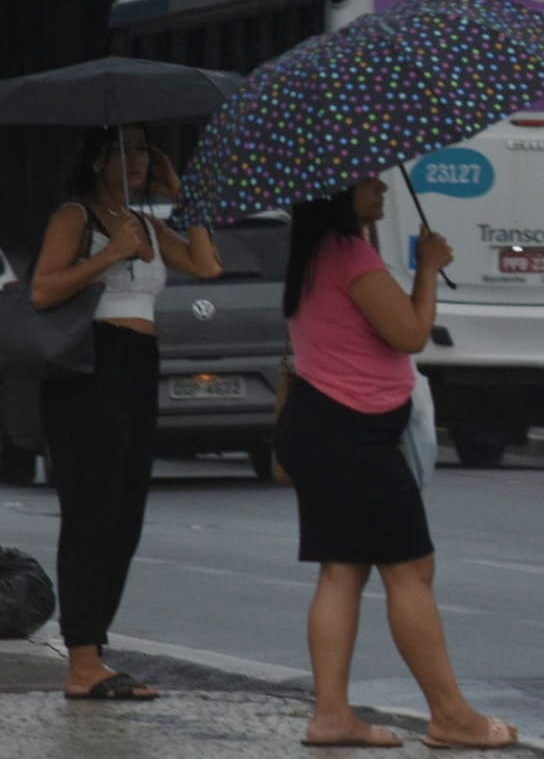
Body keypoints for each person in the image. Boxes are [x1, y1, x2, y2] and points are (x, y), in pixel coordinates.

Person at [274, 175, 517, 750]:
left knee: (342, 569)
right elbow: (409, 333)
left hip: (318, 426)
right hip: (352, 436)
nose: (381, 187)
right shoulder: (351, 255)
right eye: (365, 181)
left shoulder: (313, 254)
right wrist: (428, 267)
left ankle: (332, 714)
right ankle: (451, 716)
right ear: (334, 192)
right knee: (411, 571)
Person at [30, 123, 222, 700]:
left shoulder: (146, 221)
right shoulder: (76, 216)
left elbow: (207, 266)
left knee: (126, 515)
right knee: (90, 511)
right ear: (95, 159)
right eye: (123, 148)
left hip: (139, 363)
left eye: (143, 148)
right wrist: (110, 253)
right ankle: (82, 660)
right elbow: (43, 289)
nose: (136, 158)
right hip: (91, 364)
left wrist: (184, 193)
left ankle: (95, 651)